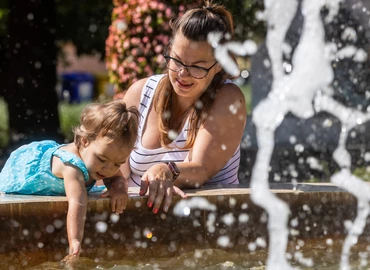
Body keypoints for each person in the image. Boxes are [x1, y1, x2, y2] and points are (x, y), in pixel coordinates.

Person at [121, 0, 247, 214]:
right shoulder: (139, 93)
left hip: (205, 226)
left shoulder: (228, 99)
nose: (183, 74)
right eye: (177, 61)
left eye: (197, 67)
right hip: (133, 222)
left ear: (218, 65)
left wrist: (167, 170)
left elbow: (201, 169)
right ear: (169, 50)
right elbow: (115, 167)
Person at [0, 100, 139, 262]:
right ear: (85, 141)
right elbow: (78, 203)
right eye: (102, 159)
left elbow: (117, 176)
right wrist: (74, 241)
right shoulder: (72, 167)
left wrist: (119, 186)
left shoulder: (103, 158)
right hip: (22, 171)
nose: (108, 169)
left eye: (117, 163)